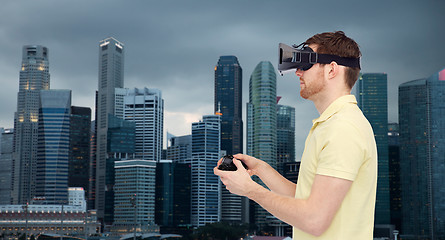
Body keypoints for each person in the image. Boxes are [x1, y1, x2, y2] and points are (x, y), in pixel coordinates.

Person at [214, 31, 377, 239]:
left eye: (306, 63)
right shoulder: (332, 124)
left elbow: (314, 220)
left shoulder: (343, 128)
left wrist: (250, 190)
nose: (298, 72)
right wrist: (262, 170)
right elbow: (307, 200)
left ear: (332, 70)